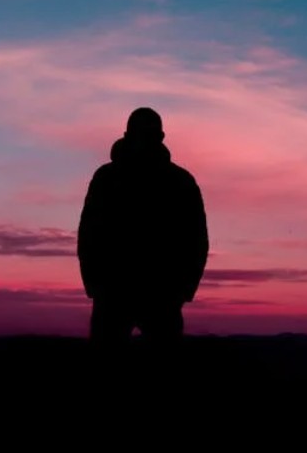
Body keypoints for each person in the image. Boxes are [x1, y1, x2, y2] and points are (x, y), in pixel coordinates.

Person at [77, 107, 209, 349]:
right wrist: (94, 285)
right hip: (115, 293)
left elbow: (196, 240)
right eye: (140, 134)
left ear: (160, 138)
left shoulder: (180, 182)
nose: (143, 141)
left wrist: (184, 290)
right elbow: (89, 234)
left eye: (148, 135)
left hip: (161, 295)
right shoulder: (106, 178)